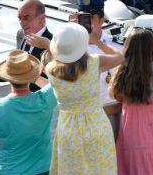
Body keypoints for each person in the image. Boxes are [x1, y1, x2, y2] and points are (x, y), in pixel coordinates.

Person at [46, 19, 122, 174]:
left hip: (68, 130)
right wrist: (97, 42)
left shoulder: (50, 69)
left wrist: (66, 41)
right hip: (97, 126)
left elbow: (59, 57)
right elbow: (120, 57)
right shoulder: (94, 62)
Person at [109, 27, 153, 174]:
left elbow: (116, 95)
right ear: (152, 47)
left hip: (133, 127)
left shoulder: (122, 72)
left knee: (138, 163)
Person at [0, 49, 57, 174]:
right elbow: (61, 81)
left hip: (10, 171)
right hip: (43, 170)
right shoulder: (45, 99)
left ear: (7, 76)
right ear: (32, 75)